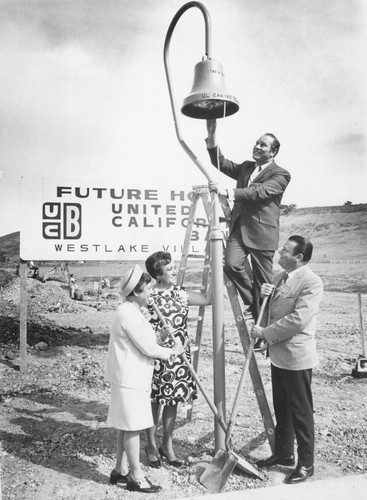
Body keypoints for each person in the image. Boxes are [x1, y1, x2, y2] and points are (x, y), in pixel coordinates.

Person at [205, 119, 291, 351]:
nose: (257, 147)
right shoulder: (245, 168)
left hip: (263, 235)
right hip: (239, 231)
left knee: (264, 283)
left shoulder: (281, 174)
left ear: (273, 151)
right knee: (231, 265)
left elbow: (260, 192)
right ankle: (255, 307)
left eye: (263, 145)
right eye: (256, 143)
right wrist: (211, 134)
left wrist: (228, 191)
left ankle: (264, 333)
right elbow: (219, 162)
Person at [250, 235, 323, 484]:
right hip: (279, 357)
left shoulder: (311, 282)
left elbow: (298, 320)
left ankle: (306, 464)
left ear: (298, 257)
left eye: (285, 251)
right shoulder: (280, 277)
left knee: (301, 412)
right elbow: (272, 311)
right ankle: (284, 453)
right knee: (282, 408)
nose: (279, 254)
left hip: (297, 357)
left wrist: (265, 334)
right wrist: (264, 296)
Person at [105, 264, 183, 494]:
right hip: (130, 378)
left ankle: (119, 469)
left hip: (131, 376)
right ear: (137, 292)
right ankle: (136, 476)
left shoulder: (132, 311)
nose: (151, 293)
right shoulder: (128, 313)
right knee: (132, 427)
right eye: (148, 289)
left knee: (125, 425)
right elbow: (148, 348)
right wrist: (173, 352)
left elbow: (144, 339)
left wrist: (159, 335)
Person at [144, 251, 212, 468]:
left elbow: (208, 299)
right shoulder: (148, 296)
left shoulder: (181, 293)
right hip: (155, 355)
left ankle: (167, 445)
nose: (174, 271)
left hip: (178, 355)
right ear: (158, 273)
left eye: (173, 267)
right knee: (154, 400)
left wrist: (219, 273)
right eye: (170, 269)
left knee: (172, 400)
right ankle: (150, 445)